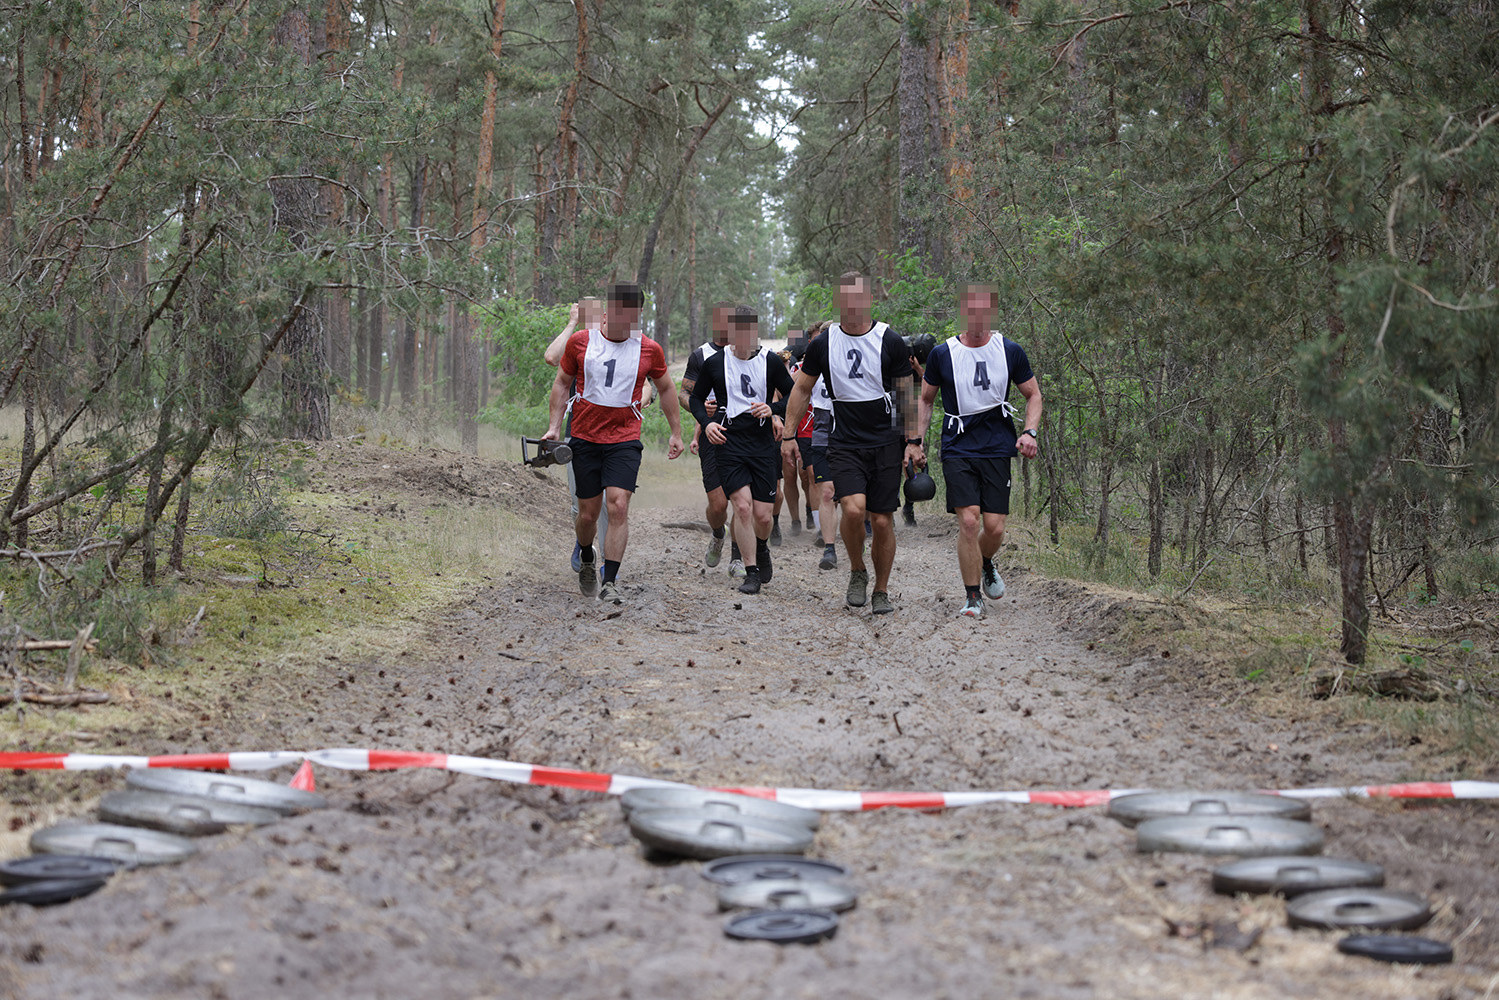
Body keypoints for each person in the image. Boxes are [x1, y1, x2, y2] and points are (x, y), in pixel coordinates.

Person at [782, 273, 916, 614]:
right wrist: (788, 434)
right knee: (854, 509)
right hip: (844, 440)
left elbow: (905, 395)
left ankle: (881, 591)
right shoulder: (823, 343)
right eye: (845, 298)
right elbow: (801, 388)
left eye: (858, 298)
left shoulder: (890, 340)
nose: (851, 305)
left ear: (869, 299)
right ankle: (857, 570)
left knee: (883, 520)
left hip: (886, 440)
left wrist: (912, 442)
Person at [544, 283, 685, 604]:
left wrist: (675, 432)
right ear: (608, 311)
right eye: (620, 314)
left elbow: (664, 389)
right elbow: (561, 382)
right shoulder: (582, 342)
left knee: (618, 505)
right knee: (588, 515)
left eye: (632, 316)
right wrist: (554, 427)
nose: (626, 322)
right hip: (584, 437)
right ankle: (586, 554)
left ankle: (610, 580)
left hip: (624, 440)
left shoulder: (649, 349)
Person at [912, 283, 1042, 619]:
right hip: (958, 444)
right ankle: (972, 596)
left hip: (998, 444)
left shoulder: (1009, 350)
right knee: (969, 521)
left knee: (994, 526)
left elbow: (1033, 395)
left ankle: (985, 562)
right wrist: (916, 441)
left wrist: (1030, 431)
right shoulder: (943, 353)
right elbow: (926, 400)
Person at [689, 307, 794, 594]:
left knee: (763, 515)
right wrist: (706, 424)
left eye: (748, 332)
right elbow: (697, 399)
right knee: (743, 507)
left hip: (762, 443)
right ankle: (751, 572)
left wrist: (772, 409)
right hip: (729, 441)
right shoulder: (714, 363)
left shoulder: (770, 362)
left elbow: (794, 395)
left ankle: (761, 547)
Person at [544, 298, 606, 573]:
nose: (589, 317)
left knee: (607, 502)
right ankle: (583, 544)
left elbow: (647, 384)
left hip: (615, 434)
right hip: (577, 432)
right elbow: (551, 358)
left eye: (594, 312)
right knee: (578, 502)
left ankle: (607, 560)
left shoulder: (617, 342)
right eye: (583, 313)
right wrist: (571, 323)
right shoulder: (576, 344)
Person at [682, 303, 738, 571]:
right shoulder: (700, 355)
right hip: (711, 432)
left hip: (743, 433)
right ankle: (718, 534)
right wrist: (699, 407)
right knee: (718, 505)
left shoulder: (748, 353)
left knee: (743, 500)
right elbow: (684, 394)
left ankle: (739, 555)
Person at [802, 320, 840, 570]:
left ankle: (856, 536)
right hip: (823, 424)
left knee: (849, 496)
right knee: (825, 489)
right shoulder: (813, 361)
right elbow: (796, 386)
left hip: (852, 422)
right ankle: (829, 548)